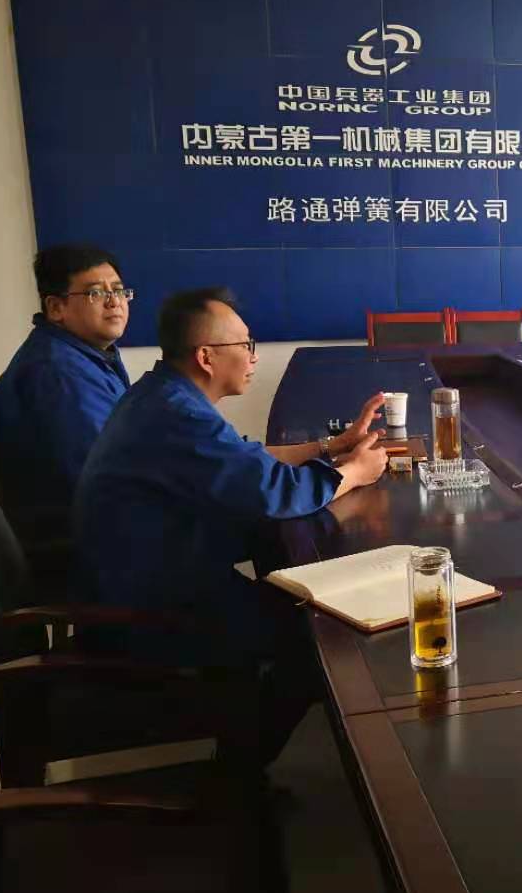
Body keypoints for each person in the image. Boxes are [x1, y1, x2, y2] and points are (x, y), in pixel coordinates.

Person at [73, 287, 389, 764]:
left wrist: (332, 447)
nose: (253, 356)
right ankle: (238, 771)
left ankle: (245, 743)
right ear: (206, 357)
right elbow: (275, 493)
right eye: (245, 345)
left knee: (300, 598)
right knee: (318, 638)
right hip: (152, 610)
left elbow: (244, 458)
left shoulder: (163, 395)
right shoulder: (179, 414)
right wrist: (356, 473)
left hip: (154, 579)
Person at [0, 244, 133, 517]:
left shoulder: (82, 356)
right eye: (95, 293)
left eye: (119, 290)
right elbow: (109, 477)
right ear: (55, 308)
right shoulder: (58, 373)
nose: (114, 302)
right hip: (86, 526)